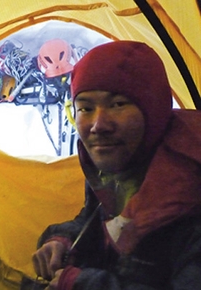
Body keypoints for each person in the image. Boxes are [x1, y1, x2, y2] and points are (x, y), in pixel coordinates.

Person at [32, 40, 201, 289]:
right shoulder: (117, 169)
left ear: (153, 108)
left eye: (118, 104)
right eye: (85, 108)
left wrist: (84, 284)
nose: (98, 125)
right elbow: (95, 218)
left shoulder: (191, 186)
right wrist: (63, 240)